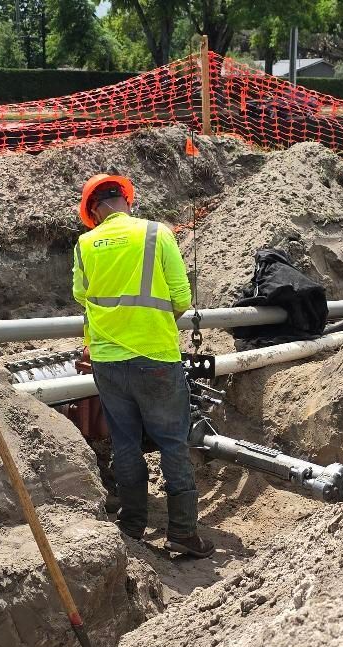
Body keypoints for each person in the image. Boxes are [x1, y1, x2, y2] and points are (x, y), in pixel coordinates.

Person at [72, 173, 215, 558]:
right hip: (155, 358)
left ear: (93, 211)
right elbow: (181, 298)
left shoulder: (85, 244)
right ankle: (182, 533)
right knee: (172, 442)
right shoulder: (157, 233)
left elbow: (81, 297)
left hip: (107, 362)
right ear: (126, 200)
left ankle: (132, 525)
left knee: (125, 443)